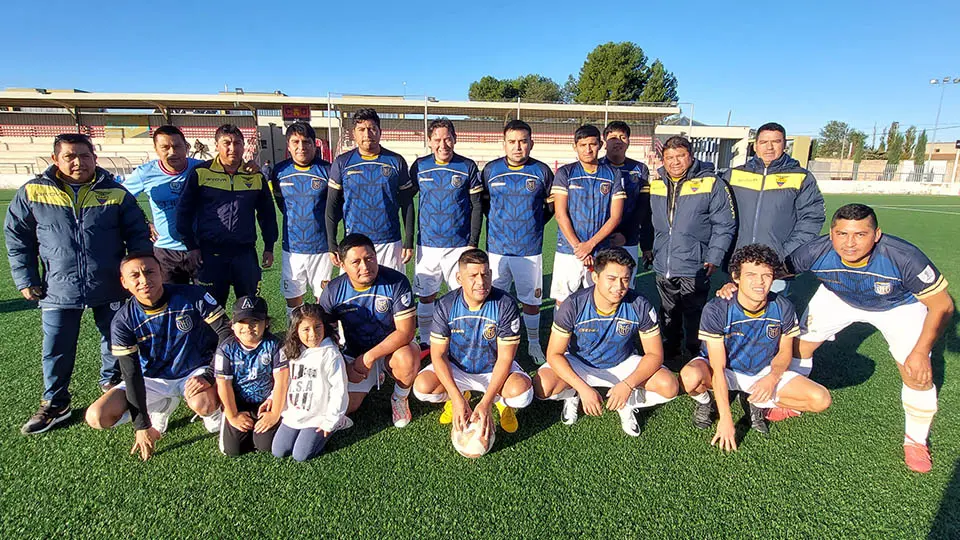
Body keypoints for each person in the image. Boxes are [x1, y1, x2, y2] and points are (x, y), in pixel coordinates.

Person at [771, 204, 949, 473]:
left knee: (916, 373)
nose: (850, 243)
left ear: (876, 234)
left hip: (897, 306)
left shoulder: (904, 257)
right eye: (842, 234)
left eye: (860, 235)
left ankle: (915, 440)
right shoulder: (815, 251)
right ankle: (794, 401)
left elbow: (942, 306)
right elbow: (772, 272)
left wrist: (922, 351)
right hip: (839, 297)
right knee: (798, 345)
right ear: (831, 234)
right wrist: (736, 281)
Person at [5, 133, 152, 435]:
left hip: (110, 284)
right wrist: (26, 278)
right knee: (56, 347)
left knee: (115, 341)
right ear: (55, 159)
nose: (78, 162)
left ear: (95, 158)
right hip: (58, 287)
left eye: (85, 156)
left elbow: (137, 235)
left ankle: (111, 387)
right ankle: (55, 402)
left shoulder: (115, 192)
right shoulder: (33, 192)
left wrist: (136, 277)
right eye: (70, 156)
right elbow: (17, 238)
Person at [679, 244, 831, 452]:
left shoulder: (783, 306)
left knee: (821, 399)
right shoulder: (717, 309)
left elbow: (786, 351)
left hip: (763, 371)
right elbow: (717, 366)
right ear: (736, 277)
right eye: (751, 274)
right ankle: (706, 402)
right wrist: (726, 418)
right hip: (725, 370)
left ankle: (757, 403)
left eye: (766, 275)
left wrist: (772, 378)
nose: (759, 282)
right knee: (689, 377)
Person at [84, 253, 231, 460]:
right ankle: (161, 404)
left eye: (149, 271)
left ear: (161, 273)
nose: (144, 280)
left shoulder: (192, 295)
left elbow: (226, 332)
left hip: (194, 370)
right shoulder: (122, 321)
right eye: (135, 275)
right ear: (124, 282)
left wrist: (209, 374)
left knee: (203, 404)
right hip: (150, 378)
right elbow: (131, 372)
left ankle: (212, 410)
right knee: (97, 416)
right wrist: (141, 424)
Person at [533, 248, 678, 436]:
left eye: (625, 279)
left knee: (669, 386)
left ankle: (627, 403)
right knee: (541, 386)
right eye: (611, 278)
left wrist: (628, 385)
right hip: (580, 362)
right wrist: (582, 388)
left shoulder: (639, 304)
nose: (619, 286)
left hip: (622, 361)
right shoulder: (573, 304)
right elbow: (554, 354)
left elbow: (655, 354)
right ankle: (573, 395)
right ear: (595, 277)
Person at [413, 249, 533, 436]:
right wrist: (456, 397)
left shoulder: (505, 304)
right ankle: (462, 396)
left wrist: (486, 403)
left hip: (493, 369)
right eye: (473, 276)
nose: (481, 282)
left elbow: (505, 358)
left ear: (491, 274)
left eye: (485, 274)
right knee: (422, 388)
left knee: (522, 394)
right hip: (458, 368)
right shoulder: (446, 305)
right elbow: (438, 355)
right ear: (459, 278)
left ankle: (501, 403)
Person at [649, 136, 736, 366]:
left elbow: (725, 225)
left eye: (680, 156)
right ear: (663, 159)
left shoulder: (711, 183)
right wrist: (649, 249)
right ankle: (670, 353)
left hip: (695, 264)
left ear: (691, 156)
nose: (674, 162)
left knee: (694, 313)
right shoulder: (657, 183)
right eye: (669, 157)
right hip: (663, 263)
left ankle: (695, 356)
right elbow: (650, 222)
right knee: (668, 311)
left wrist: (714, 257)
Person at [318, 234, 420, 428]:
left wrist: (368, 358)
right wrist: (341, 365)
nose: (365, 266)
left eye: (369, 258)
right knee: (347, 407)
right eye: (356, 262)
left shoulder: (396, 281)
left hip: (391, 350)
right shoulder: (333, 291)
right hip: (354, 352)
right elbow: (328, 338)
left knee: (408, 357)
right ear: (342, 264)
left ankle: (399, 398)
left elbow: (406, 332)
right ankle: (372, 375)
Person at [176, 124, 278, 307]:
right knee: (210, 309)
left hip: (244, 253)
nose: (233, 148)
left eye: (238, 143)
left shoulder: (255, 176)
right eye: (227, 143)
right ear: (216, 145)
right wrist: (191, 245)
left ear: (244, 145)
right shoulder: (201, 173)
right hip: (209, 254)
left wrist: (269, 246)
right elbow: (184, 212)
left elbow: (267, 214)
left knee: (250, 307)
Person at [481, 119, 554, 365]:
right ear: (504, 144)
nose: (518, 147)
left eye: (523, 141)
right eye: (512, 142)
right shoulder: (491, 170)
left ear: (531, 143)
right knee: (493, 297)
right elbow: (484, 205)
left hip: (529, 250)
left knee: (531, 301)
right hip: (497, 249)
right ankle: (492, 342)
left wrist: (532, 223)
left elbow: (551, 206)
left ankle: (533, 343)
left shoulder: (542, 171)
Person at [724, 122, 824, 293]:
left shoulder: (801, 177)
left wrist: (783, 254)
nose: (769, 147)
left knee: (773, 313)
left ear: (784, 145)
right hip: (739, 262)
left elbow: (811, 221)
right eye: (763, 142)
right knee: (738, 312)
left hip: (776, 265)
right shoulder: (733, 175)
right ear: (755, 145)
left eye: (776, 142)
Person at [410, 118, 483, 345]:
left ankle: (460, 336)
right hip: (428, 244)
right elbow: (407, 202)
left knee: (463, 293)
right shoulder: (420, 166)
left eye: (447, 139)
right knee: (426, 294)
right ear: (429, 142)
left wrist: (473, 241)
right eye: (437, 140)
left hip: (459, 245)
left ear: (455, 139)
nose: (443, 145)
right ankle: (425, 336)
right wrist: (408, 239)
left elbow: (477, 205)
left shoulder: (467, 166)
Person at [325, 108, 415, 271]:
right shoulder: (342, 162)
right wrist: (332, 244)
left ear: (380, 132)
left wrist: (408, 240)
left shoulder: (396, 161)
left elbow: (407, 204)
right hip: (353, 242)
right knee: (355, 293)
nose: (367, 134)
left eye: (372, 129)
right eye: (361, 129)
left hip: (390, 242)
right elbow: (331, 206)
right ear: (354, 133)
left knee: (390, 292)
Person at [119, 125, 203, 284]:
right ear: (156, 149)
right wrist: (144, 222)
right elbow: (121, 198)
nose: (172, 152)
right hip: (165, 251)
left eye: (177, 146)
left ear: (186, 147)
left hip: (200, 247)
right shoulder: (145, 173)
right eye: (165, 147)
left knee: (207, 300)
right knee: (170, 302)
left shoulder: (201, 168)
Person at [551, 124, 625, 304]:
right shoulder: (565, 172)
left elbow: (616, 216)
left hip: (601, 249)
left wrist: (590, 245)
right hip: (569, 250)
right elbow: (560, 214)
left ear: (600, 144)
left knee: (600, 298)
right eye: (583, 145)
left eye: (592, 144)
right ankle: (563, 332)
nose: (588, 149)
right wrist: (580, 248)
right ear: (574, 146)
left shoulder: (613, 174)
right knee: (563, 300)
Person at [270, 122, 333, 317]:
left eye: (306, 142)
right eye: (295, 142)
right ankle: (294, 342)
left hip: (321, 248)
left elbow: (335, 207)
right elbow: (281, 204)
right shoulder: (279, 171)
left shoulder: (328, 171)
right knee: (293, 299)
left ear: (315, 145)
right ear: (288, 145)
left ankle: (325, 340)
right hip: (292, 248)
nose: (301, 147)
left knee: (323, 300)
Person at [272, 303, 350, 462]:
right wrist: (271, 398)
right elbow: (284, 380)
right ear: (296, 331)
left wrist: (330, 421)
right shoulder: (291, 350)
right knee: (278, 451)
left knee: (300, 455)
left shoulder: (330, 354)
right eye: (306, 329)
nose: (313, 334)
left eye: (317, 327)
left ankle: (339, 423)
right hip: (295, 412)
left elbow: (339, 390)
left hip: (319, 416)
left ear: (324, 326)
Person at [214, 296, 287, 457]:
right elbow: (223, 385)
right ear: (232, 325)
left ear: (266, 323)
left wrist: (275, 414)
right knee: (233, 450)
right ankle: (227, 421)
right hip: (238, 403)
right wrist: (233, 416)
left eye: (254, 321)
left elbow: (282, 382)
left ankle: (265, 425)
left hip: (266, 403)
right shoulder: (226, 349)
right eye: (242, 322)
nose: (248, 327)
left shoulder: (275, 345)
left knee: (265, 444)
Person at [600, 121, 653, 281]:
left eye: (623, 137)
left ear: (629, 142)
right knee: (598, 283)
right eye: (613, 137)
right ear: (604, 142)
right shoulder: (596, 167)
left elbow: (642, 207)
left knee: (625, 285)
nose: (618, 141)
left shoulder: (640, 169)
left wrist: (626, 234)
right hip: (600, 238)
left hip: (628, 238)